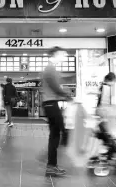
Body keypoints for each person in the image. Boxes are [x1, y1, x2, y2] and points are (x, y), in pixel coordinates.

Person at [42, 46, 72, 177]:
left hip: (51, 103)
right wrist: (67, 96)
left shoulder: (51, 68)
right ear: (54, 55)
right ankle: (50, 163)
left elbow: (55, 88)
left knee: (55, 134)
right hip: (50, 104)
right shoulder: (50, 68)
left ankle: (51, 166)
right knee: (61, 131)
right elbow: (55, 87)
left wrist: (64, 95)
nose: (63, 57)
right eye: (62, 55)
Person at [88, 72, 116, 165]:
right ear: (111, 80)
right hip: (103, 114)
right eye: (114, 81)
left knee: (99, 135)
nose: (114, 83)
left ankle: (95, 157)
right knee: (105, 135)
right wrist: (105, 118)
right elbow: (104, 103)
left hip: (100, 114)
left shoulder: (102, 86)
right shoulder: (106, 88)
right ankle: (108, 155)